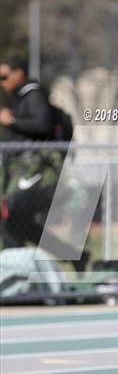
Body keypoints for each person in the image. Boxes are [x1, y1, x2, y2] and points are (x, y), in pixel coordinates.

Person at [0, 56, 89, 273]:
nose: (1, 81)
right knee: (16, 223)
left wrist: (10, 121)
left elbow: (42, 123)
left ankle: (16, 270)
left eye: (4, 76)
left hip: (41, 175)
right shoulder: (19, 98)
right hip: (22, 173)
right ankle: (71, 257)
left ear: (19, 72)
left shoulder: (34, 94)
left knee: (9, 213)